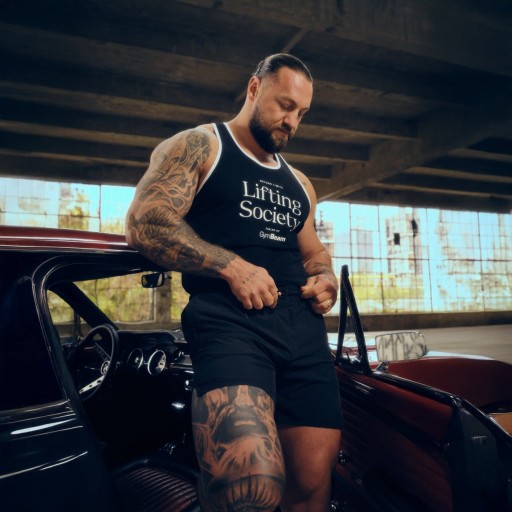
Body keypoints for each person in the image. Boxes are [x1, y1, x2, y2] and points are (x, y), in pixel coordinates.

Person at [125, 53, 342, 512]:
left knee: (311, 486)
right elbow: (146, 222)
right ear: (254, 89)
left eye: (302, 113)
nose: (292, 122)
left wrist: (324, 277)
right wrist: (231, 266)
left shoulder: (300, 183)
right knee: (248, 486)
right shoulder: (200, 146)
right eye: (285, 105)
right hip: (230, 324)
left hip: (303, 333)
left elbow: (313, 252)